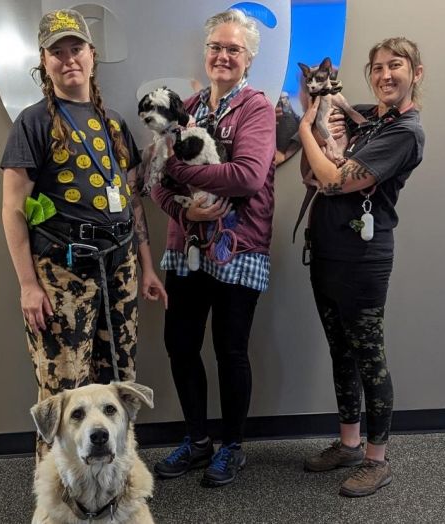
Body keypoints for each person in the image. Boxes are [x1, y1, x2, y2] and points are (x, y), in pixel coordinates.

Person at [0, 9, 166, 461]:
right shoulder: (32, 124)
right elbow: (13, 211)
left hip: (120, 264)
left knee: (119, 379)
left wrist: (147, 266)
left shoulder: (113, 123)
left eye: (77, 49)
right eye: (58, 52)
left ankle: (116, 481)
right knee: (63, 392)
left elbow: (132, 200)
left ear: (92, 56)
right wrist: (28, 286)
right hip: (63, 273)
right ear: (44, 61)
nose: (69, 59)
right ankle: (57, 492)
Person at [149, 8, 276, 487]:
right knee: (180, 345)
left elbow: (247, 175)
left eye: (233, 49)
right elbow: (156, 182)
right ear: (205, 54)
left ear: (248, 58)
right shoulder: (187, 108)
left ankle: (233, 447)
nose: (223, 55)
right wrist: (185, 212)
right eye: (216, 47)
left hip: (239, 248)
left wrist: (180, 173)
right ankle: (198, 441)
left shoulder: (258, 109)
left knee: (230, 350)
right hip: (187, 249)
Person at [297, 37, 425, 497]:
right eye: (377, 67)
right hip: (327, 249)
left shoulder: (405, 131)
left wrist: (304, 133)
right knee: (340, 352)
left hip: (363, 260)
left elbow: (331, 179)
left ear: (416, 73)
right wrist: (312, 116)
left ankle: (376, 459)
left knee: (370, 357)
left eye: (396, 66)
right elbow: (313, 172)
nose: (385, 75)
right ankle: (349, 443)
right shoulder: (369, 117)